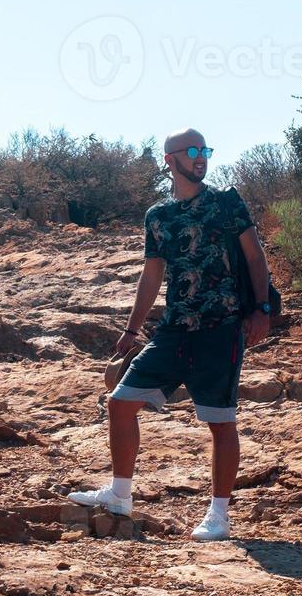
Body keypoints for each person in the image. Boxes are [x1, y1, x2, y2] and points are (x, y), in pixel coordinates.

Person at [67, 129, 273, 541]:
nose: (201, 158)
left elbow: (255, 256)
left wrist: (262, 309)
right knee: (120, 403)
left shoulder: (226, 202)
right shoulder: (158, 216)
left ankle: (218, 517)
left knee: (220, 421)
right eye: (193, 151)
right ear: (170, 159)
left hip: (222, 328)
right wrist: (131, 328)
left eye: (205, 151)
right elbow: (152, 273)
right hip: (174, 330)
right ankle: (120, 495)